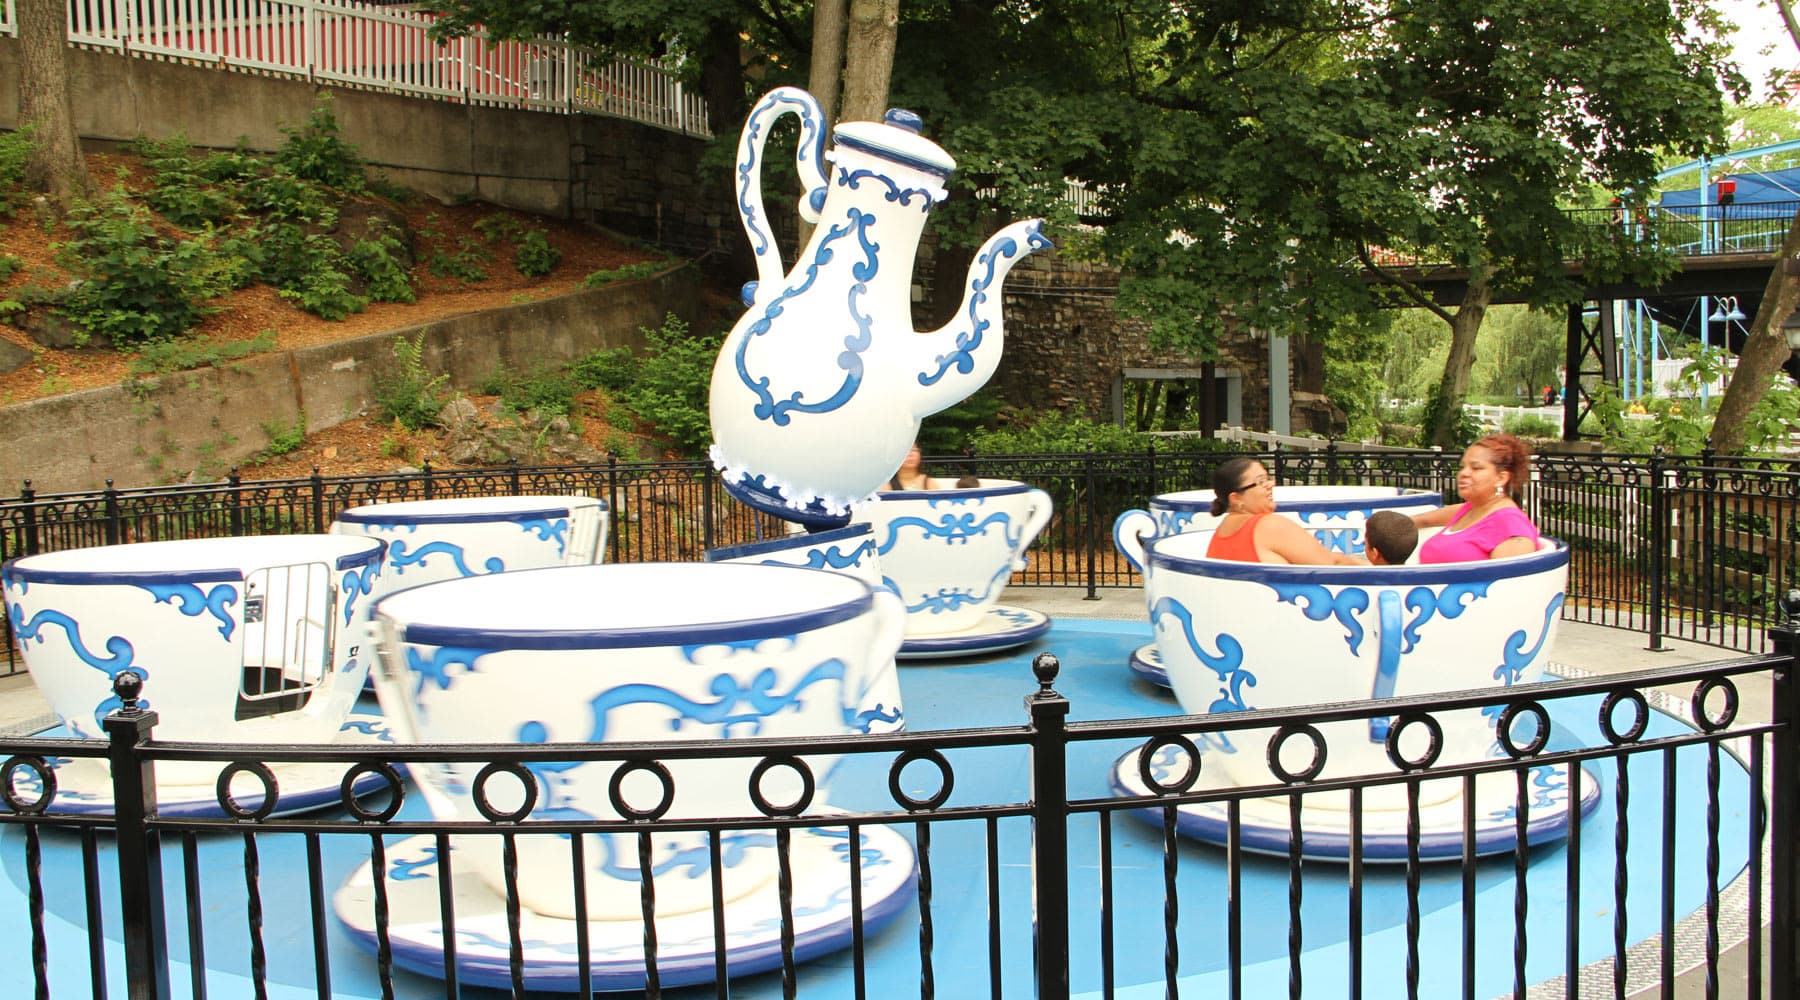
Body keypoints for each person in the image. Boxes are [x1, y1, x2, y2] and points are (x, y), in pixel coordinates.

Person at [1204, 457, 1366, 566]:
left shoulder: (1221, 532)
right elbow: (1332, 564)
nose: (1271, 484)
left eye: (1267, 478)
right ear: (1236, 498)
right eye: (1260, 482)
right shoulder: (1269, 526)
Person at [1412, 433, 1541, 563]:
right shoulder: (1470, 510)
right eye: (1462, 467)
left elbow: (1507, 580)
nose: (1463, 473)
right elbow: (1418, 521)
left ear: (1501, 478)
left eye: (1476, 468)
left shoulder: (1511, 526)